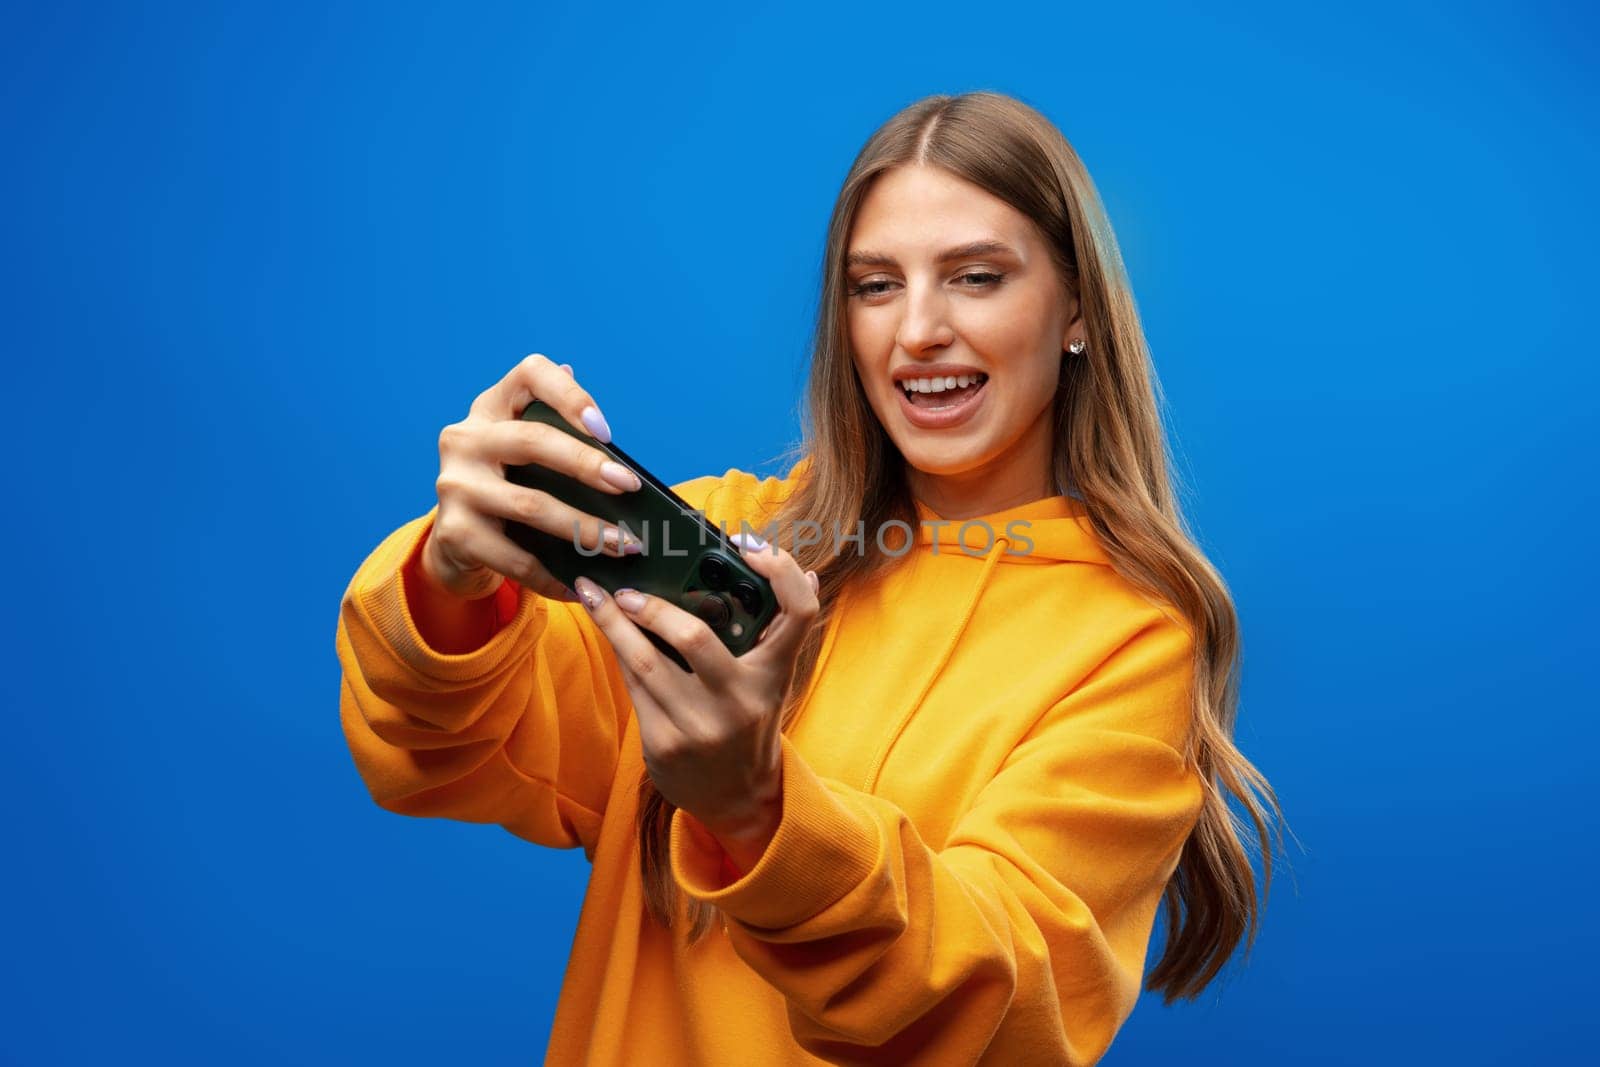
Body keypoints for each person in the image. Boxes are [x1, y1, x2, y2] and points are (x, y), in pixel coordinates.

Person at [335, 90, 1282, 1065]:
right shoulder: (737, 539)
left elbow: (992, 1002)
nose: (917, 329)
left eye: (975, 276)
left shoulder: (1129, 638)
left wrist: (754, 808)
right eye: (875, 285)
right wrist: (450, 577)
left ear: (1075, 305)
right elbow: (437, 752)